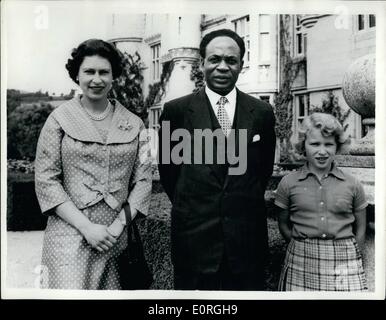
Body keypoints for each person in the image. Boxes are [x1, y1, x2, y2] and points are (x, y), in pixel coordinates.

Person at [158, 29, 276, 290]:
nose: (222, 67)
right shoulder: (176, 112)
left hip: (246, 246)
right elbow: (169, 174)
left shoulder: (262, 113)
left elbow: (262, 171)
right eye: (214, 59)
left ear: (241, 66)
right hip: (194, 246)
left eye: (231, 60)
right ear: (202, 64)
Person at [35, 39, 152, 289]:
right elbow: (46, 180)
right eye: (89, 71)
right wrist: (86, 227)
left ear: (113, 77)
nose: (96, 79)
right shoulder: (58, 120)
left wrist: (119, 225)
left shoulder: (136, 124)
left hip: (116, 240)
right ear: (76, 75)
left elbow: (143, 181)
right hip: (69, 237)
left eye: (103, 72)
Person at [275, 112, 368, 291]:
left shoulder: (352, 184)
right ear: (303, 146)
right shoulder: (288, 183)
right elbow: (283, 224)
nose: (322, 151)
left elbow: (361, 226)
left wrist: (355, 253)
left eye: (329, 144)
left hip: (345, 260)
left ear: (337, 147)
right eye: (315, 144)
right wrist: (300, 246)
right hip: (302, 258)